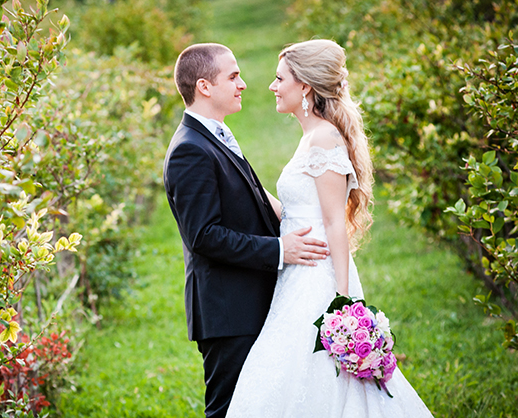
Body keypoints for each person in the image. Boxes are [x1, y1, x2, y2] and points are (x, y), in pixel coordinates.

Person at [225, 39, 433, 417]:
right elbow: (297, 209)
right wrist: (242, 181)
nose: (272, 86)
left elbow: (336, 221)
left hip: (318, 279)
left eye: (279, 78)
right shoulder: (311, 136)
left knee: (317, 370)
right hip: (297, 273)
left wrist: (342, 302)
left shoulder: (323, 137)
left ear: (304, 86)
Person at [163, 43, 332, 418]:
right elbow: (204, 236)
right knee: (229, 411)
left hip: (249, 301)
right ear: (205, 87)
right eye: (233, 76)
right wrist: (279, 250)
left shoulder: (216, 135)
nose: (243, 84)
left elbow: (251, 199)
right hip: (228, 310)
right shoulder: (189, 150)